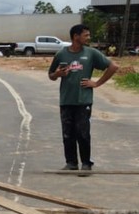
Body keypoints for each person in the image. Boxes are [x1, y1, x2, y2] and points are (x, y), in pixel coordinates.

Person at [48, 24, 120, 171]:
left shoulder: (91, 53)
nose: (89, 37)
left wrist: (97, 83)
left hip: (83, 101)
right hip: (66, 100)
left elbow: (113, 67)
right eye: (86, 35)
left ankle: (86, 163)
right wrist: (58, 74)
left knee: (83, 133)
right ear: (76, 36)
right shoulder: (61, 54)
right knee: (68, 134)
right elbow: (51, 75)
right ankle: (71, 163)